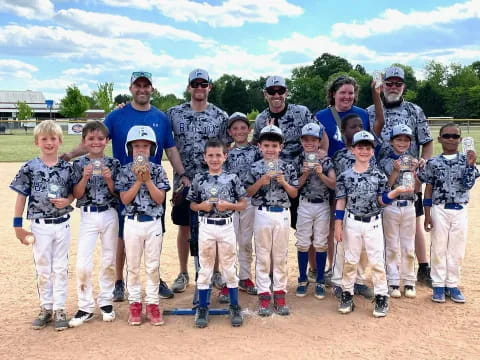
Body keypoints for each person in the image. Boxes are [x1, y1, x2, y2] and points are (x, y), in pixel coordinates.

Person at [62, 71, 185, 301]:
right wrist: (69, 154)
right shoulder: (116, 116)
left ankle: (154, 280)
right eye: (137, 85)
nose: (142, 89)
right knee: (122, 233)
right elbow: (94, 138)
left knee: (154, 233)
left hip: (152, 181)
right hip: (123, 181)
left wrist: (183, 174)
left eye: (146, 85)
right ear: (131, 88)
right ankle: (119, 280)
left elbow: (170, 149)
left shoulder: (162, 117)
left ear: (152, 89)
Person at [367, 66, 434, 287]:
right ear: (383, 85)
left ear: (404, 86)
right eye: (389, 83)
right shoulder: (371, 111)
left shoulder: (415, 110)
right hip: (381, 178)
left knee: (413, 224)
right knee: (385, 227)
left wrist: (423, 162)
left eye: (398, 83)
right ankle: (388, 273)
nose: (393, 87)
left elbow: (427, 142)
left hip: (408, 178)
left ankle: (423, 267)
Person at [334, 130, 413, 318]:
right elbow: (341, 201)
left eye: (367, 148)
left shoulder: (379, 175)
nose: (363, 151)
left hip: (374, 223)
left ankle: (381, 296)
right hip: (352, 222)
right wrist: (338, 224)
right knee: (350, 260)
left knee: (377, 261)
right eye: (360, 147)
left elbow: (381, 201)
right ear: (353, 150)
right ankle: (346, 294)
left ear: (372, 151)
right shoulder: (345, 176)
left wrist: (395, 192)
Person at [167, 69, 230, 294]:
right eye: (196, 84)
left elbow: (226, 147)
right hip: (183, 180)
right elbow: (166, 141)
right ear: (189, 87)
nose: (200, 88)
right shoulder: (174, 113)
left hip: (212, 181)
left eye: (204, 84)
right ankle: (183, 272)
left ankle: (214, 272)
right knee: (184, 227)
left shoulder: (221, 116)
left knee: (213, 225)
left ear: (209, 87)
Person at [315, 75, 380, 287]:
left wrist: (376, 96)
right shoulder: (321, 116)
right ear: (333, 94)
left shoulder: (362, 114)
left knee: (359, 224)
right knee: (336, 225)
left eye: (351, 93)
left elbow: (371, 137)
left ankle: (356, 275)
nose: (347, 96)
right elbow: (317, 144)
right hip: (334, 174)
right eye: (342, 92)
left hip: (359, 176)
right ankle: (336, 268)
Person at [10, 120, 74, 331]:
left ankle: (60, 308)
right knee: (44, 268)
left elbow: (75, 192)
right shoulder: (30, 167)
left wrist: (68, 200)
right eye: (44, 139)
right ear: (37, 141)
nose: (49, 142)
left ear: (60, 141)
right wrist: (17, 225)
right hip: (39, 225)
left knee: (60, 267)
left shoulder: (66, 168)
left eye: (53, 138)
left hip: (62, 223)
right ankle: (46, 307)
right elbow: (21, 196)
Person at [252, 76, 326, 231]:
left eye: (281, 90)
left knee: (306, 230)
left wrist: (322, 151)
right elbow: (256, 144)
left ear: (286, 92)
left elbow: (321, 132)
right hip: (275, 182)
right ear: (266, 94)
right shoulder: (261, 119)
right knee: (279, 226)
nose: (277, 95)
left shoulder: (301, 112)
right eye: (272, 91)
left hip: (302, 177)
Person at [187, 138, 247, 328]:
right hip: (206, 225)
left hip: (226, 225)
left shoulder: (232, 178)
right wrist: (201, 206)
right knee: (205, 268)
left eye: (218, 155)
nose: (214, 159)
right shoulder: (199, 178)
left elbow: (243, 204)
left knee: (229, 266)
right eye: (210, 155)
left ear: (225, 156)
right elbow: (192, 204)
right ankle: (203, 306)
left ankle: (234, 305)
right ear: (205, 157)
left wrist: (228, 205)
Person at [115, 125, 170, 326]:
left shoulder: (158, 170)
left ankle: (153, 303)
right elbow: (125, 199)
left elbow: (159, 199)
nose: (140, 150)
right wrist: (138, 181)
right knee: (134, 267)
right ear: (130, 149)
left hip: (153, 223)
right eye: (137, 146)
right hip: (132, 223)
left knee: (153, 266)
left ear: (152, 150)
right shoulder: (123, 171)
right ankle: (135, 304)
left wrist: (147, 180)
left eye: (145, 147)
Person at [68, 121, 120, 327]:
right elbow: (76, 194)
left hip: (109, 213)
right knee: (83, 261)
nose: (96, 142)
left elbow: (118, 193)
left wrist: (109, 180)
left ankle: (106, 302)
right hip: (88, 215)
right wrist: (84, 177)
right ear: (84, 141)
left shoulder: (114, 163)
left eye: (100, 139)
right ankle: (85, 306)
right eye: (91, 139)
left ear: (106, 141)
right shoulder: (79, 164)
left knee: (109, 259)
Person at [420, 123, 478, 303]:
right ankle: (438, 284)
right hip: (439, 208)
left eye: (455, 136)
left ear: (460, 140)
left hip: (460, 208)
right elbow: (428, 188)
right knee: (438, 247)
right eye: (447, 136)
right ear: (440, 139)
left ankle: (452, 283)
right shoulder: (434, 163)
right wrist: (427, 213)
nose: (451, 139)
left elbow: (469, 184)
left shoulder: (465, 160)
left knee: (456, 249)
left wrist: (470, 165)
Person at [246, 125, 298, 317]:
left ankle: (280, 293)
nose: (270, 149)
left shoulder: (288, 167)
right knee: (263, 255)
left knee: (280, 255)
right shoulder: (255, 167)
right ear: (259, 146)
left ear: (281, 147)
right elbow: (248, 192)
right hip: (262, 212)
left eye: (274, 145)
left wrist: (283, 181)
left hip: (282, 213)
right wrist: (261, 181)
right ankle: (264, 294)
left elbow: (294, 193)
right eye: (266, 145)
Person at [329, 113, 375, 300]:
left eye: (360, 126)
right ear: (343, 131)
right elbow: (336, 186)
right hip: (345, 207)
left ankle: (359, 281)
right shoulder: (339, 156)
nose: (357, 129)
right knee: (342, 246)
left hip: (365, 208)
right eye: (353, 127)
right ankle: (339, 281)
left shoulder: (369, 154)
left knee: (362, 248)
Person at [294, 123, 335, 299]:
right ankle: (302, 279)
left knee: (320, 242)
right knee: (303, 241)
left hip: (322, 205)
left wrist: (320, 173)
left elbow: (333, 184)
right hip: (304, 203)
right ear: (302, 141)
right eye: (306, 139)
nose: (310, 143)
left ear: (319, 141)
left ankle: (319, 279)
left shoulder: (325, 160)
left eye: (313, 140)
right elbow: (293, 187)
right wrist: (304, 174)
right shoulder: (298, 159)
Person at [378, 124, 418, 299]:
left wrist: (415, 171)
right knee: (392, 245)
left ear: (410, 142)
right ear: (392, 141)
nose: (402, 143)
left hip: (409, 206)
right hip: (391, 207)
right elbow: (385, 186)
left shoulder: (412, 160)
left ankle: (409, 281)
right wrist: (395, 170)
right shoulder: (387, 160)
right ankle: (392, 280)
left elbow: (416, 189)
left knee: (408, 247)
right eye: (398, 139)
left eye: (405, 140)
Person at [224, 112, 262, 296]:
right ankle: (228, 279)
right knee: (228, 241)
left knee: (246, 241)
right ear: (230, 132)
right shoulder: (226, 153)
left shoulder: (256, 151)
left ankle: (245, 277)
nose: (239, 131)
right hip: (230, 202)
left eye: (243, 128)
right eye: (235, 128)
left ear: (249, 129)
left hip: (249, 200)